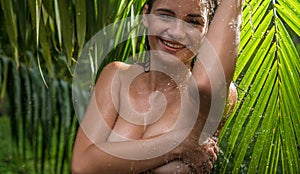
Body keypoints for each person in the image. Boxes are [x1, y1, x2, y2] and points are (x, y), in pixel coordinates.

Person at [72, 0, 242, 173]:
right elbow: (82, 165)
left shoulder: (208, 98)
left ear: (208, 30)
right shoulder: (117, 77)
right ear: (146, 15)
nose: (177, 32)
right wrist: (177, 144)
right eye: (165, 16)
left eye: (193, 22)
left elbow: (204, 85)